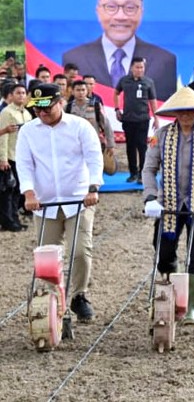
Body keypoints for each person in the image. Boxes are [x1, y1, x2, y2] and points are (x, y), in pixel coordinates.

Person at [16, 83, 103, 322]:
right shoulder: (28, 131)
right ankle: (52, 299)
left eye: (47, 108)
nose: (42, 113)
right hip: (45, 204)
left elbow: (94, 158)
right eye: (37, 110)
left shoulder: (80, 127)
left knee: (80, 252)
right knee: (46, 255)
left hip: (78, 200)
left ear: (59, 102)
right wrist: (29, 193)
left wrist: (93, 187)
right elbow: (24, 165)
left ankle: (78, 296)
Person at [141, 87, 194, 325]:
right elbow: (149, 169)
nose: (186, 115)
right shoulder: (161, 136)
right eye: (182, 111)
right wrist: (150, 197)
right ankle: (170, 293)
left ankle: (193, 307)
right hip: (168, 203)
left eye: (190, 111)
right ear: (175, 113)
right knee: (164, 251)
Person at [62, 0, 177, 100]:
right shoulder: (75, 57)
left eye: (130, 8)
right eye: (111, 7)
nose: (121, 16)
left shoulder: (164, 60)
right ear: (98, 11)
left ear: (141, 12)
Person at [114, 57, 160, 184]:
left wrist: (156, 118)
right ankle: (132, 173)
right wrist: (117, 109)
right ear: (131, 68)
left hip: (143, 119)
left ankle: (142, 174)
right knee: (130, 147)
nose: (140, 70)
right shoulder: (124, 81)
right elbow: (116, 93)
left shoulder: (148, 82)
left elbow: (153, 100)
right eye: (137, 67)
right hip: (128, 119)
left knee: (142, 147)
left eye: (142, 67)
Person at [0, 83, 30, 232]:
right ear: (11, 95)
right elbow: (3, 136)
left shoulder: (26, 113)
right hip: (10, 156)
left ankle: (14, 218)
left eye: (24, 93)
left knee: (18, 190)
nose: (21, 96)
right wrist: (3, 158)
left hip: (22, 157)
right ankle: (7, 221)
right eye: (18, 93)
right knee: (8, 191)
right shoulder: (7, 112)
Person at [67, 80, 115, 161]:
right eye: (78, 90)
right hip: (74, 145)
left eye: (83, 90)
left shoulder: (96, 106)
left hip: (92, 143)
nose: (81, 92)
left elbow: (106, 124)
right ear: (72, 92)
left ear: (87, 91)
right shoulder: (68, 108)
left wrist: (110, 145)